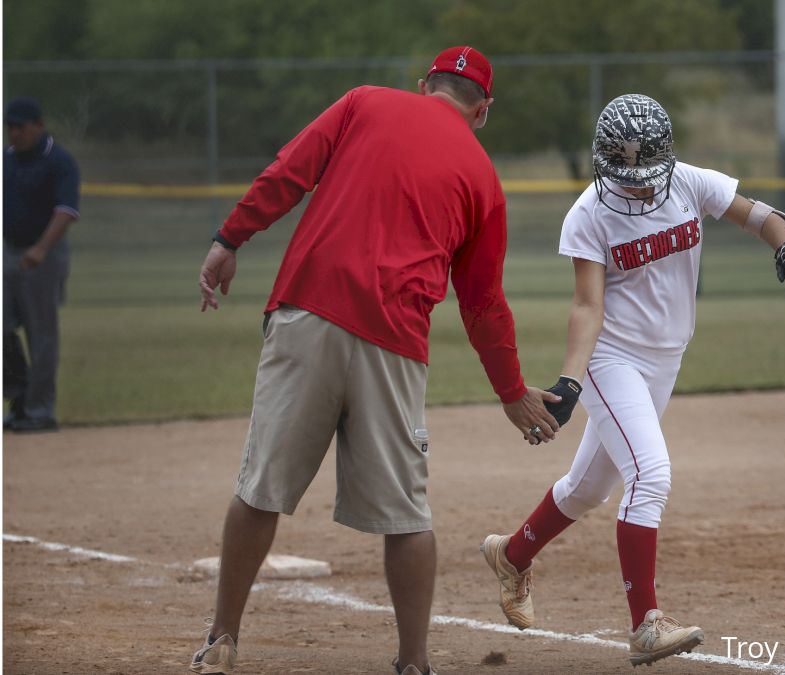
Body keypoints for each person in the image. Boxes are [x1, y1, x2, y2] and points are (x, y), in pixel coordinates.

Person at [190, 46, 562, 675]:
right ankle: (414, 664)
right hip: (394, 340)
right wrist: (511, 392)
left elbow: (289, 171)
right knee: (407, 518)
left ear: (425, 85)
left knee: (259, 491)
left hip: (308, 309)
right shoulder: (483, 179)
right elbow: (484, 305)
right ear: (483, 111)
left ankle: (222, 641)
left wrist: (231, 238)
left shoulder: (365, 101)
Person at [480, 94, 785, 667]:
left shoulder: (689, 183)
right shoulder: (589, 213)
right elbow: (588, 305)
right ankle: (646, 625)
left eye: (645, 176)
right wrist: (570, 382)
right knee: (650, 473)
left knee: (588, 488)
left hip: (666, 358)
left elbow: (760, 214)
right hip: (615, 358)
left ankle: (511, 555)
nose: (635, 188)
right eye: (623, 176)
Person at [3, 97, 81, 434]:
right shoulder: (6, 160)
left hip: (44, 256)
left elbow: (65, 210)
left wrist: (40, 248)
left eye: (20, 126)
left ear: (38, 125)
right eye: (9, 127)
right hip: (8, 251)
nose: (13, 133)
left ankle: (40, 411)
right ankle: (19, 397)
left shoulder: (58, 160)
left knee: (41, 336)